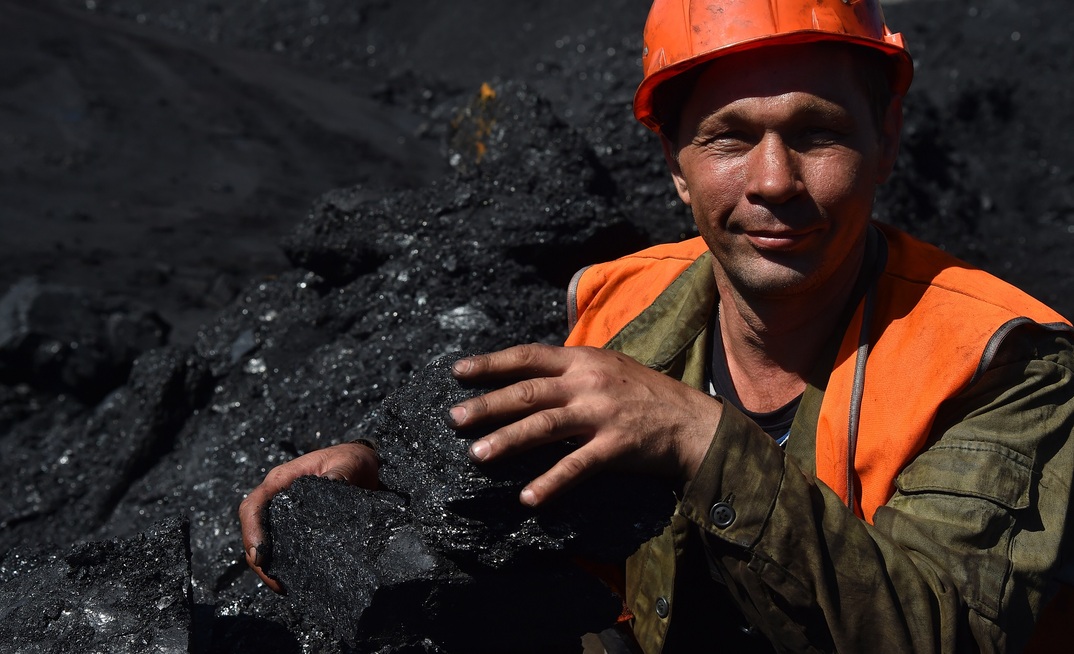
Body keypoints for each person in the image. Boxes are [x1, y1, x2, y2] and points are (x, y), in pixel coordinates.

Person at [240, 0, 1074, 651]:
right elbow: (545, 516)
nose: (773, 181)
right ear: (675, 166)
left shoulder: (1003, 360)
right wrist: (388, 485)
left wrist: (698, 436)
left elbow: (944, 635)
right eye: (729, 139)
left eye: (817, 134)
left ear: (886, 142)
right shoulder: (621, 306)